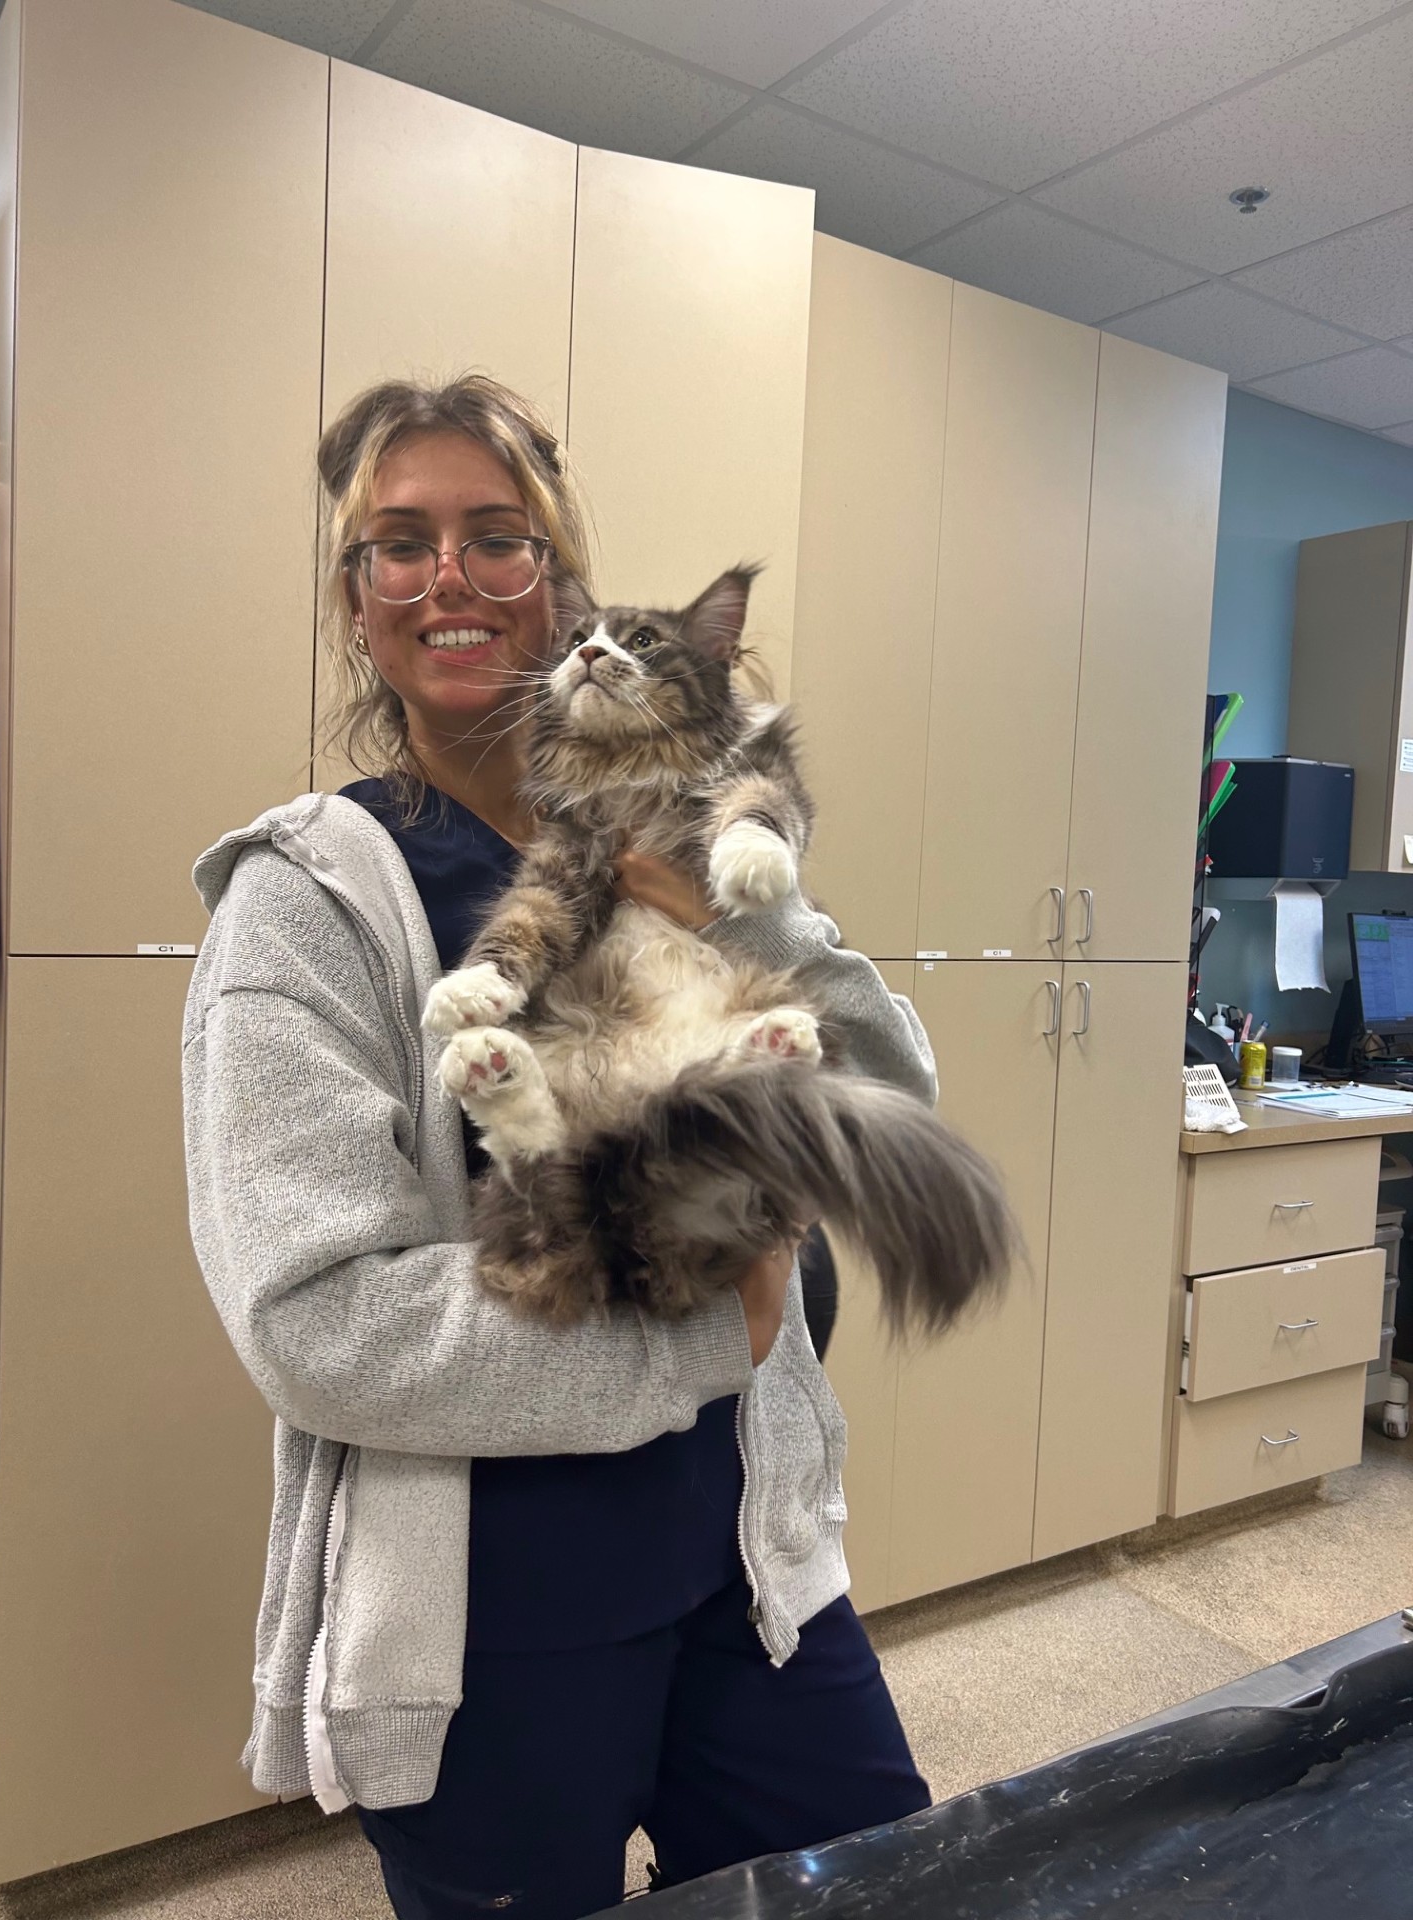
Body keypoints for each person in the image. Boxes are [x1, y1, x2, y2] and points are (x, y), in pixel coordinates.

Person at [182, 375, 938, 1920]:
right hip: (490, 1626)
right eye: (399, 545)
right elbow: (317, 1322)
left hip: (756, 1559)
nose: (448, 577)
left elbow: (894, 1112)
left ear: (562, 588)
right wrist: (699, 1347)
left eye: (496, 538)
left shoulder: (689, 833)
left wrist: (763, 922)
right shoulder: (311, 906)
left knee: (884, 1883)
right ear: (358, 601)